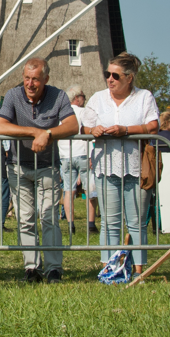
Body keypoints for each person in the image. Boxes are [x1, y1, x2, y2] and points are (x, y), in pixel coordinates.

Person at [0, 58, 78, 283]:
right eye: (27, 78)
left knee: (49, 217)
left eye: (35, 80)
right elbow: (0, 125)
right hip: (19, 166)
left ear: (46, 80)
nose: (30, 84)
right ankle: (31, 268)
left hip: (48, 166)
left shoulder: (58, 96)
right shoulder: (13, 95)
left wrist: (48, 134)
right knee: (25, 219)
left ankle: (54, 269)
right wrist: (34, 132)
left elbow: (73, 125)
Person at [82, 52, 159, 278]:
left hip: (135, 168)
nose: (110, 79)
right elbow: (84, 128)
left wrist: (126, 130)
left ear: (129, 77)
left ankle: (138, 271)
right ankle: (110, 268)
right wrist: (92, 131)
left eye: (115, 75)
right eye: (108, 74)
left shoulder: (144, 97)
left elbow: (153, 126)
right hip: (105, 167)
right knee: (109, 222)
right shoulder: (97, 98)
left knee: (136, 223)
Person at [58, 85, 98, 236]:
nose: (84, 98)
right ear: (77, 98)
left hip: (66, 154)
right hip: (82, 153)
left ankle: (70, 225)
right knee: (90, 189)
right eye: (83, 96)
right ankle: (91, 224)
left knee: (69, 190)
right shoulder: (84, 112)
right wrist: (90, 155)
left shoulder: (61, 114)